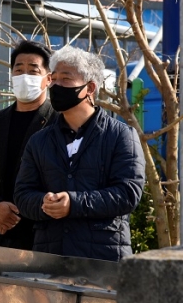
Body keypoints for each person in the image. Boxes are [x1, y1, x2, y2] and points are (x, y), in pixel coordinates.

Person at [13, 45, 145, 262]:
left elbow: (127, 193)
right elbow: (23, 194)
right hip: (51, 255)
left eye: (65, 79)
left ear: (90, 88)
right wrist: (43, 202)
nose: (56, 85)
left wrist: (73, 204)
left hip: (104, 258)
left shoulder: (121, 135)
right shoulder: (39, 141)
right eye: (53, 79)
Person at [0, 41, 58, 253]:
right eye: (19, 70)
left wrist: (18, 213)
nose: (25, 76)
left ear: (49, 79)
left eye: (33, 71)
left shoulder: (59, 122)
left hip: (40, 234)